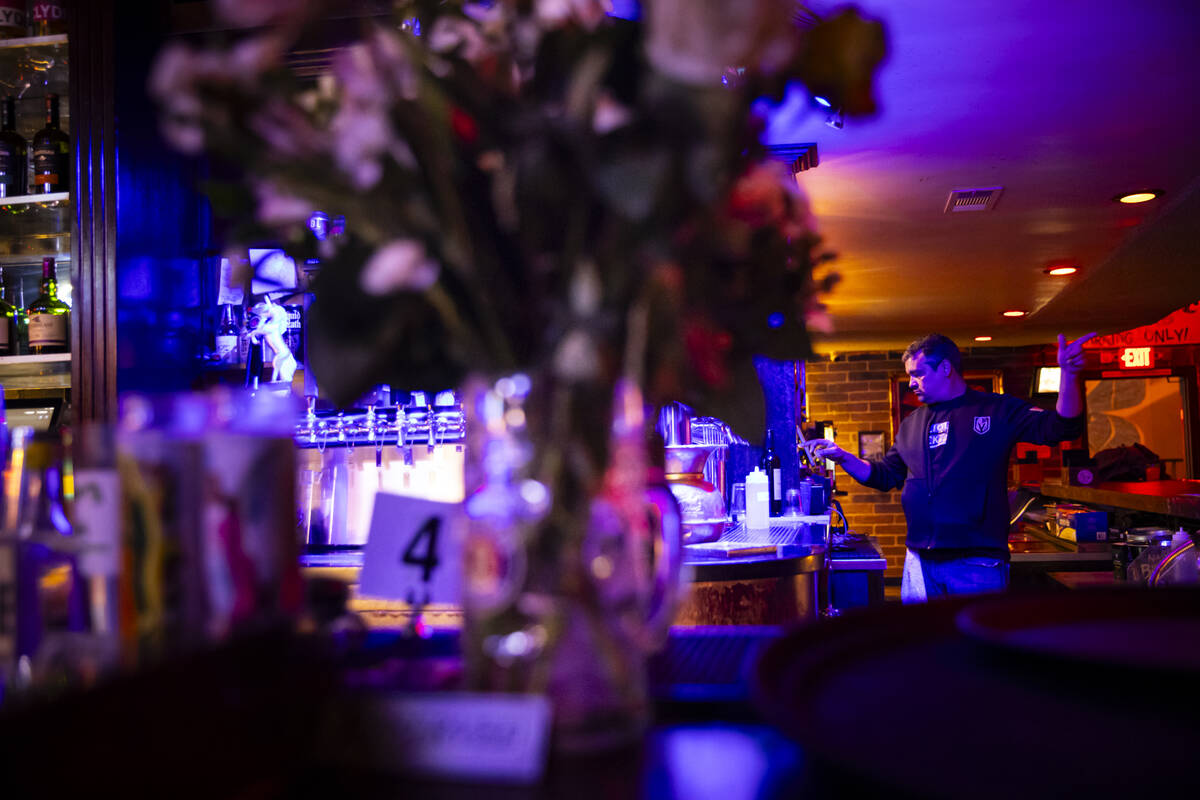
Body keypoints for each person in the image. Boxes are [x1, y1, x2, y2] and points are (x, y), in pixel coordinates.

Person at [804, 332, 1095, 601]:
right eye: (909, 375)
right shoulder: (912, 424)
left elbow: (1062, 427)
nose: (912, 383)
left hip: (976, 561)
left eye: (918, 373)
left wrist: (1069, 375)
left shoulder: (996, 409)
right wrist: (842, 457)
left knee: (976, 638)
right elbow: (884, 475)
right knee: (927, 639)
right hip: (920, 558)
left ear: (945, 368)